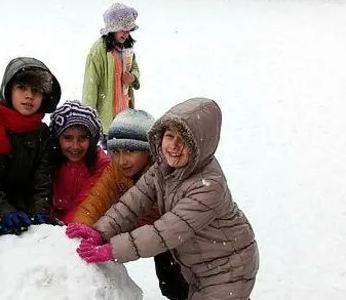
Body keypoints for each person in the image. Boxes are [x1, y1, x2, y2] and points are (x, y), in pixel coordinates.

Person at [69, 98, 259, 300]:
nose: (174, 146)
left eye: (184, 140)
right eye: (170, 136)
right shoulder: (162, 169)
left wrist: (113, 249)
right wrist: (100, 231)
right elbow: (132, 203)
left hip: (228, 268)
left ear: (200, 145)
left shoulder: (209, 186)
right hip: (201, 264)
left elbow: (166, 232)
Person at [70, 109, 189, 300]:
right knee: (171, 287)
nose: (122, 160)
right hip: (154, 236)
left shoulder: (164, 172)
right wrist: (80, 230)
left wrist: (110, 240)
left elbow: (159, 219)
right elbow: (97, 200)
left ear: (149, 151)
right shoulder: (116, 170)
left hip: (180, 235)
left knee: (188, 283)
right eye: (115, 151)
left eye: (130, 151)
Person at [0, 57, 62, 234]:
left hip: (26, 212)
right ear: (9, 90)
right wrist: (5, 211)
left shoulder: (43, 133)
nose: (29, 96)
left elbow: (42, 180)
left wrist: (39, 212)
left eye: (37, 90)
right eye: (22, 88)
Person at [82, 2, 141, 144]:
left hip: (125, 115)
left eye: (128, 30)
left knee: (124, 157)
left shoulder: (127, 48)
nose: (126, 34)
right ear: (113, 29)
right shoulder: (98, 51)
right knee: (110, 160)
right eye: (122, 30)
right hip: (107, 118)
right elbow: (91, 85)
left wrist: (132, 77)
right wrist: (88, 117)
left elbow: (136, 69)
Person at [48, 100, 110, 224]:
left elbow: (88, 203)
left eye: (83, 138)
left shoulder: (100, 164)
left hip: (81, 222)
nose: (75, 146)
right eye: (68, 138)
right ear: (57, 138)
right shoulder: (49, 159)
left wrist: (63, 227)